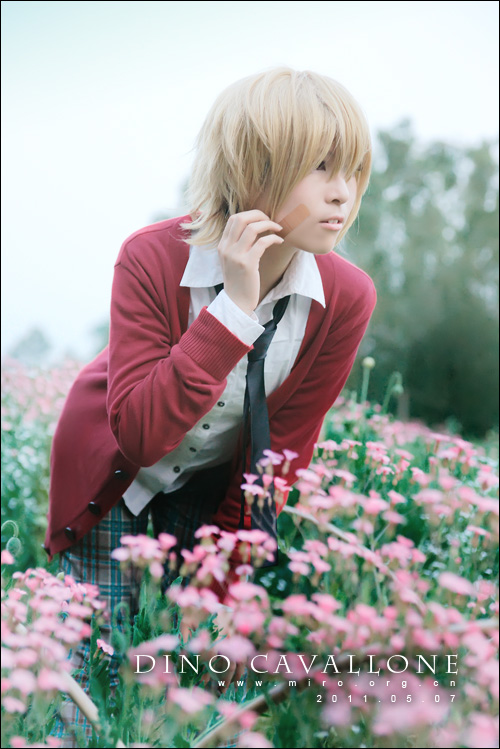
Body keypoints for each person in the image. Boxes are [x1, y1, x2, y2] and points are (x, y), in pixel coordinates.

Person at [45, 65, 377, 747]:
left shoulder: (346, 297)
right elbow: (140, 434)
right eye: (319, 166)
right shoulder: (151, 257)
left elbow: (281, 453)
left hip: (212, 490)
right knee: (85, 679)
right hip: (115, 479)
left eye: (352, 168)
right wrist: (234, 309)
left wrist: (220, 585)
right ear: (253, 168)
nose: (342, 191)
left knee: (184, 692)